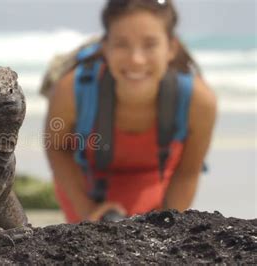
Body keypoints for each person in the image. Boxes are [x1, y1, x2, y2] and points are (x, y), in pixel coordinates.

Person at [44, 0, 217, 223]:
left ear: (171, 48)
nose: (136, 59)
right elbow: (57, 148)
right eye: (122, 44)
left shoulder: (199, 101)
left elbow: (187, 173)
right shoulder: (71, 91)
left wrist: (171, 225)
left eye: (150, 44)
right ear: (105, 47)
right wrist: (87, 210)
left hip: (157, 183)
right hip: (88, 187)